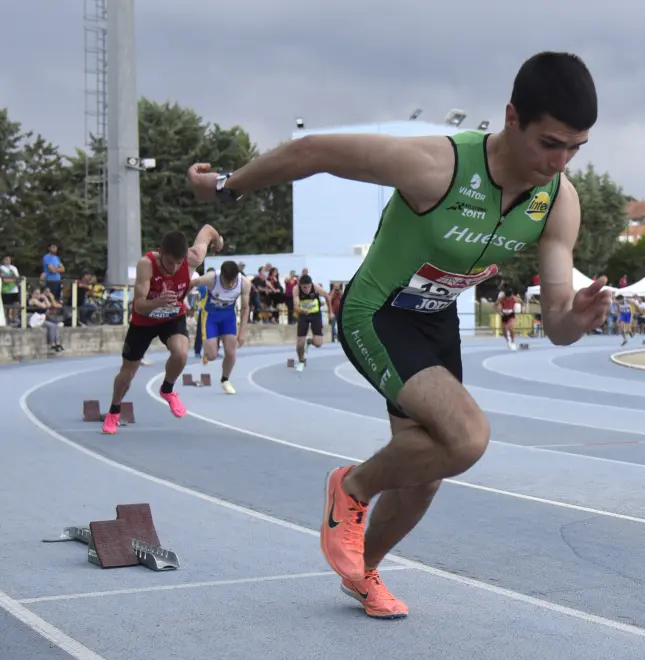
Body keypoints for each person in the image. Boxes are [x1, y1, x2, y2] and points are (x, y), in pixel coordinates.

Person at [186, 51, 610, 619]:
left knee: (428, 474)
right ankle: (352, 487)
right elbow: (315, 152)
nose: (560, 161)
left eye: (575, 148)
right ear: (512, 118)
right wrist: (224, 190)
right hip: (377, 311)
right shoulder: (437, 167)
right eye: (550, 143)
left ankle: (362, 573)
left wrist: (574, 320)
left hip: (435, 323)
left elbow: (555, 323)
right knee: (467, 439)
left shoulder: (558, 202)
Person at [102, 226, 223, 435]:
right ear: (160, 253)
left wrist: (218, 241)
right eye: (169, 263)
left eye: (179, 262)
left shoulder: (193, 258)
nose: (175, 268)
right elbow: (139, 304)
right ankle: (114, 410)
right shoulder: (146, 264)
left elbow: (207, 230)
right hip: (144, 320)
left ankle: (167, 390)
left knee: (181, 353)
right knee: (127, 373)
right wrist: (157, 301)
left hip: (172, 318)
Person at [190, 260, 251, 393]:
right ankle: (207, 353)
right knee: (212, 355)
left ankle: (225, 380)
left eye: (232, 281)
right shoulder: (211, 278)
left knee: (231, 352)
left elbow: (246, 308)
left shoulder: (244, 283)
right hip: (210, 316)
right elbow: (191, 283)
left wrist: (242, 332)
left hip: (228, 317)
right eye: (227, 281)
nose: (230, 284)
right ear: (221, 275)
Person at [291, 274, 332, 372]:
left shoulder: (316, 287)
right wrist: (302, 311)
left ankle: (309, 341)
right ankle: (301, 360)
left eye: (308, 287)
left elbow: (327, 296)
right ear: (300, 285)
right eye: (304, 287)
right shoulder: (296, 289)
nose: (306, 289)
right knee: (300, 343)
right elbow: (296, 307)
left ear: (311, 284)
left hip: (315, 315)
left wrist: (330, 312)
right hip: (303, 314)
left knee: (318, 344)